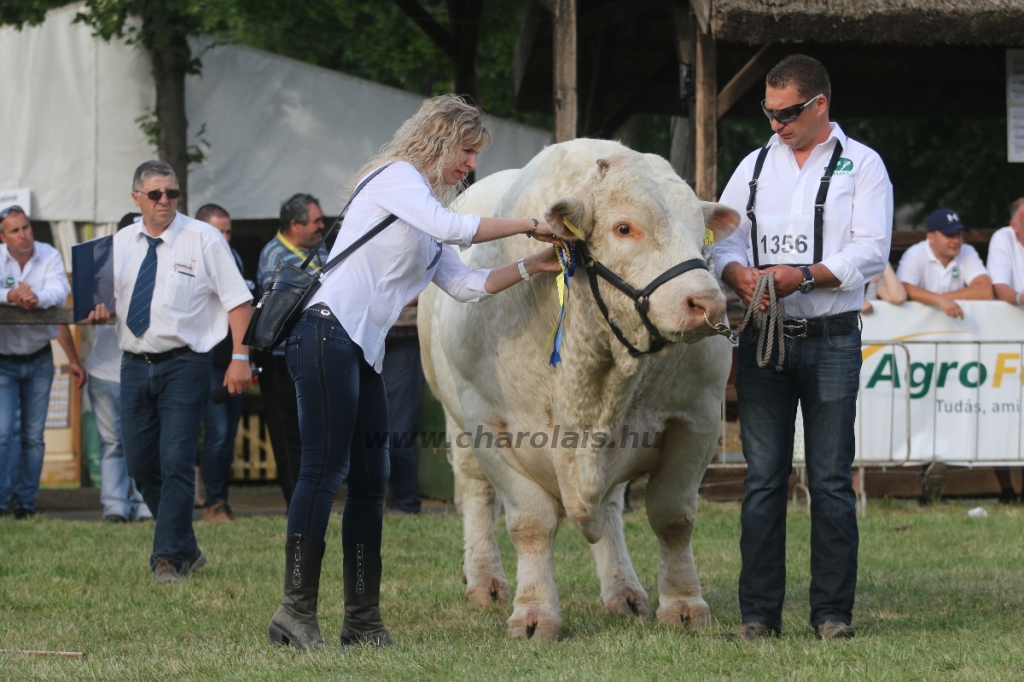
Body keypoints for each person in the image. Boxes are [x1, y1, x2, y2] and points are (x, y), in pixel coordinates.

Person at [266, 94, 564, 650]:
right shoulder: (396, 177)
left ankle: (362, 619)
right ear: (442, 140)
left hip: (360, 349)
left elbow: (466, 285)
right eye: (468, 151)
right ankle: (294, 611)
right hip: (326, 333)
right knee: (323, 474)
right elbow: (455, 228)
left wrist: (531, 263)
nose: (470, 165)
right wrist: (531, 223)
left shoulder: (425, 211)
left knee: (370, 483)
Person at [714, 55, 893, 641]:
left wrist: (805, 275)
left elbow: (871, 250)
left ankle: (832, 615)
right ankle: (759, 615)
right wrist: (737, 273)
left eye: (786, 113)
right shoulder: (755, 165)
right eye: (767, 112)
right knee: (762, 479)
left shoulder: (861, 166)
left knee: (831, 480)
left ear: (819, 105)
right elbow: (723, 235)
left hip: (831, 339)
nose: (775, 124)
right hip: (766, 340)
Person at [85, 160, 253, 584]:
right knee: (142, 465)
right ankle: (187, 547)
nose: (165, 201)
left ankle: (166, 559)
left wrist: (240, 357)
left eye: (172, 194)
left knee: (176, 460)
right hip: (133, 365)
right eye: (156, 194)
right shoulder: (117, 244)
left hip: (185, 363)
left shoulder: (204, 239)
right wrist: (98, 307)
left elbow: (238, 301)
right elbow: (97, 301)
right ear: (136, 197)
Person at [0, 205, 86, 518]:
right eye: (14, 230)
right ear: (2, 236)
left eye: (26, 227)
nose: (23, 235)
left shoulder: (48, 254)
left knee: (34, 437)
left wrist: (34, 297)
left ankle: (24, 503)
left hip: (39, 358)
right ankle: (1, 501)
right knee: (2, 433)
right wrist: (10, 296)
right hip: (3, 360)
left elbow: (60, 290)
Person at [255, 193, 328, 506]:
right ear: (295, 226)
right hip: (281, 358)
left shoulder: (318, 248)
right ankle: (296, 499)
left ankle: (313, 494)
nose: (323, 227)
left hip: (314, 352)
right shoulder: (275, 257)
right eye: (316, 221)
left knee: (314, 428)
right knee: (289, 433)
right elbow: (290, 303)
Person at [87, 212, 153, 523]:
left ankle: (145, 504)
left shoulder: (160, 266)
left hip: (144, 366)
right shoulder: (102, 267)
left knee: (145, 440)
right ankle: (115, 506)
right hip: (107, 369)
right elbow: (83, 307)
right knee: (113, 442)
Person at [194, 203, 249, 523]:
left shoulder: (235, 259)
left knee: (228, 436)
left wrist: (242, 357)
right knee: (217, 432)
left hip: (235, 359)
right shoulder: (195, 260)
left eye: (228, 231)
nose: (225, 238)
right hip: (207, 361)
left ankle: (221, 501)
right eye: (219, 232)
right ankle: (213, 503)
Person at [983, 197, 1024, 502]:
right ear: (1015, 225)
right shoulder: (1003, 239)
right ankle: (1007, 489)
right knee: (1003, 411)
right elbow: (999, 289)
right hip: (1007, 338)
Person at [896, 208, 993, 319]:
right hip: (917, 328)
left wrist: (942, 299)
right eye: (949, 234)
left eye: (959, 234)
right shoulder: (915, 254)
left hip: (956, 328)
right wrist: (939, 300)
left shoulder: (967, 251)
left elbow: (985, 291)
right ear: (930, 238)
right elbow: (903, 288)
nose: (956, 240)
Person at [382, 300, 424, 514]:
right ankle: (373, 502)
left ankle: (403, 503)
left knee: (399, 433)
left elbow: (429, 286)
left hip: (401, 338)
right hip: (358, 338)